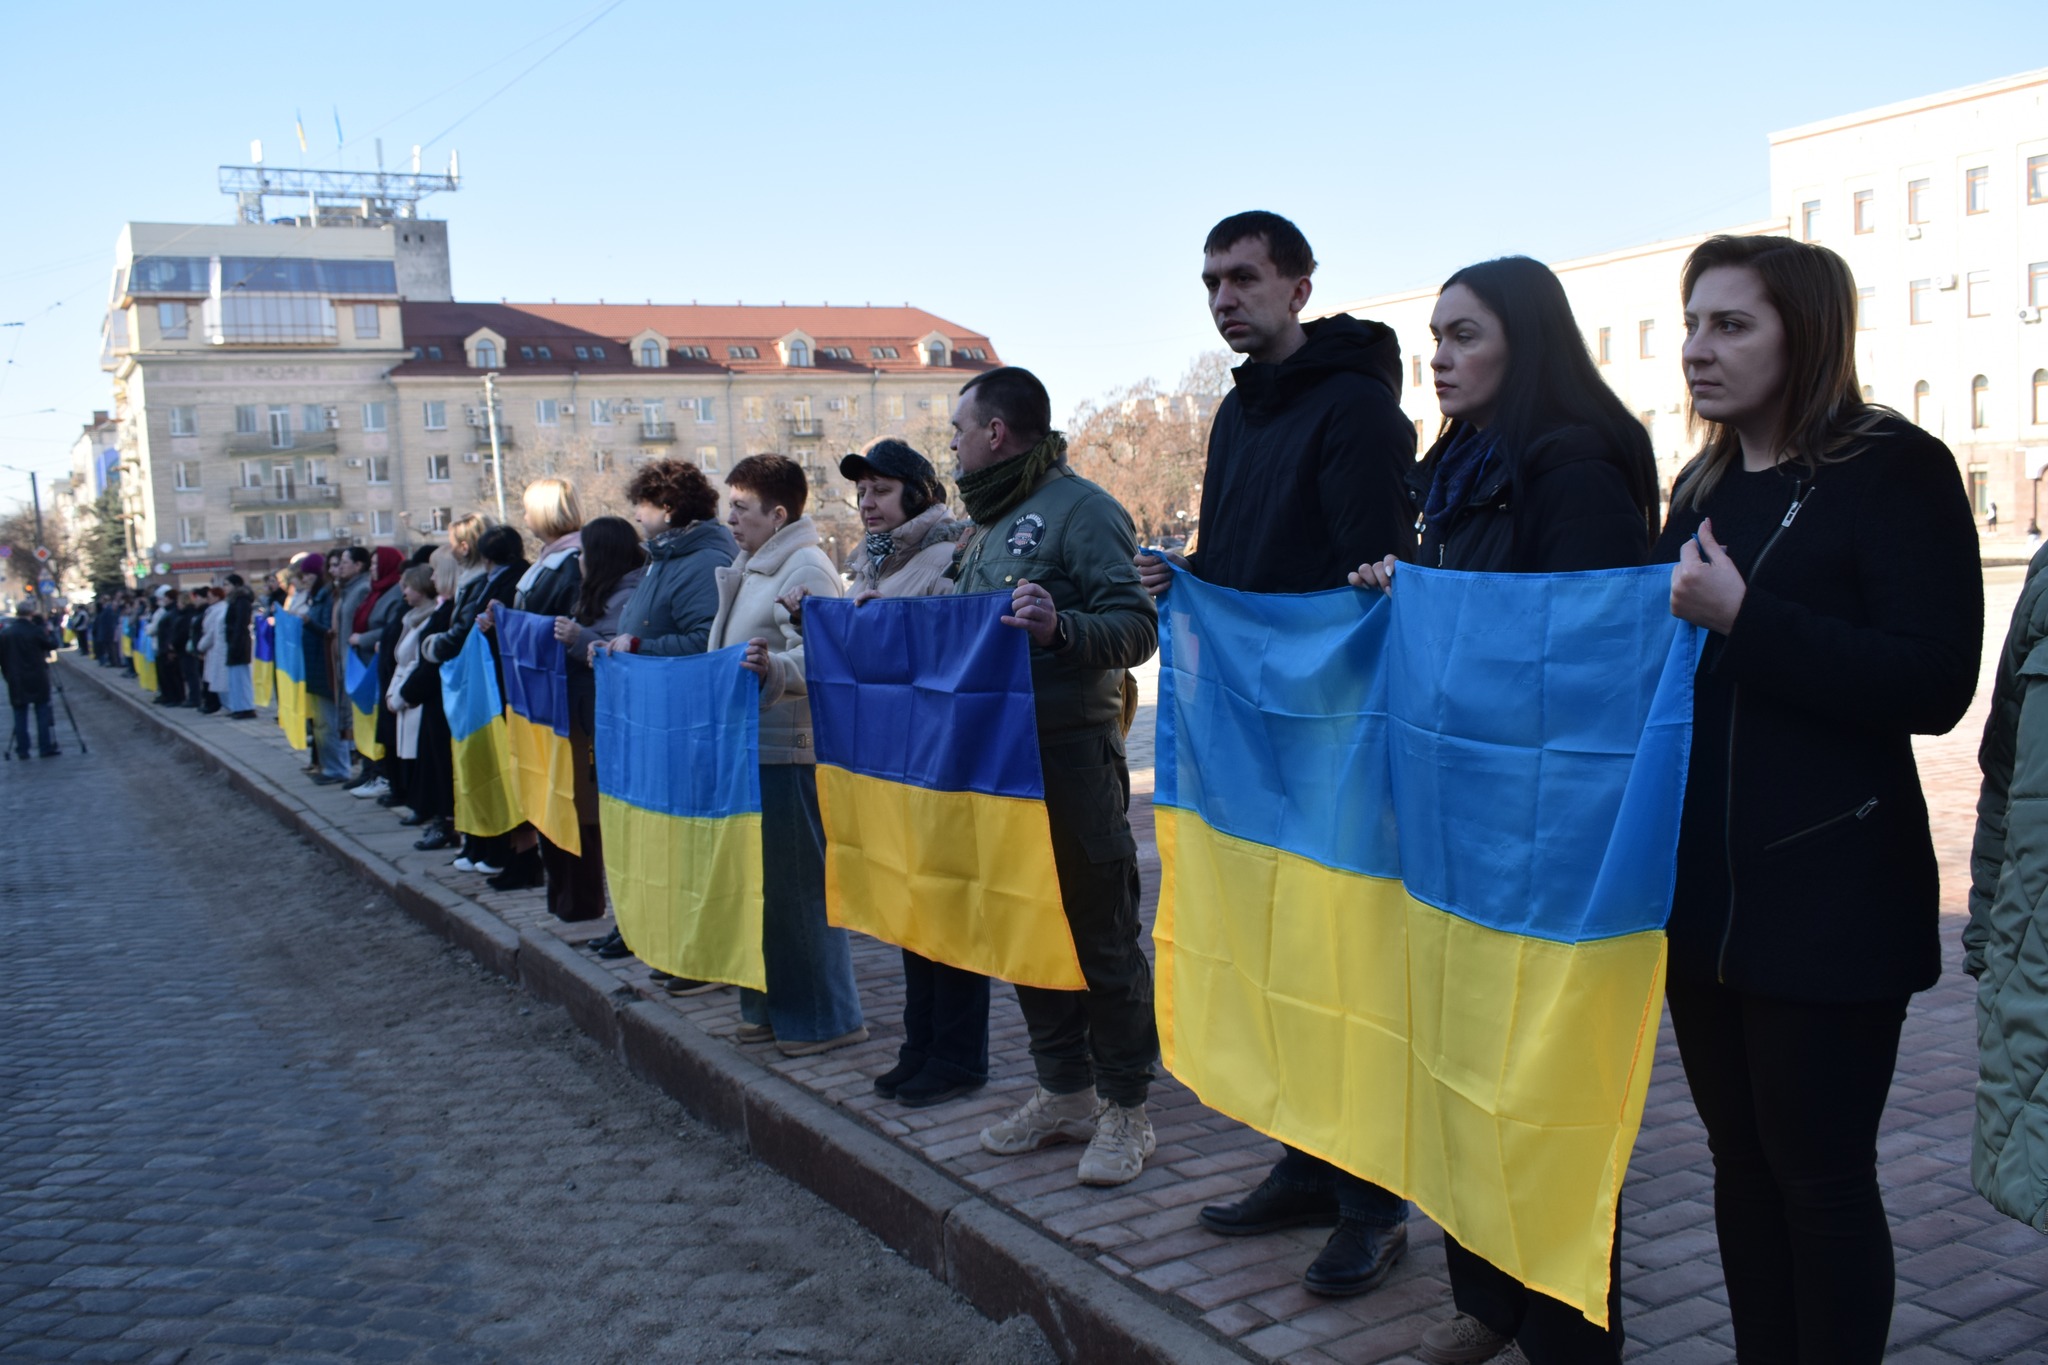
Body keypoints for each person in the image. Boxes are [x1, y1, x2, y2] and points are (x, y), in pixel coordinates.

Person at [1656, 235, 1981, 1363]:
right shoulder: (1696, 487)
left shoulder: (1893, 466)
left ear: (1805, 333)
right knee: (1737, 1169)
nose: (1696, 348)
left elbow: (1934, 683)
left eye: (1730, 325)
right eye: (1692, 322)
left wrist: (1749, 620)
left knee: (1820, 1179)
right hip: (1701, 898)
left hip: (1833, 894)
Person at [1350, 256, 1661, 1363]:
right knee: (1460, 1071)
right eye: (1433, 335)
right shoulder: (1460, 460)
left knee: (1541, 1090)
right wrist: (1408, 589)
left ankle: (1570, 1336)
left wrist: (1438, 605)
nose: (1438, 356)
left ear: (1523, 343)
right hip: (1461, 822)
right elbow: (1482, 617)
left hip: (1540, 827)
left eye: (1464, 335)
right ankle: (1487, 1304)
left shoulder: (1570, 463)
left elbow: (1577, 652)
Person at [1137, 210, 1420, 1298]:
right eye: (1210, 280)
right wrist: (1189, 574)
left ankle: (1371, 1205)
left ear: (1298, 286)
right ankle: (1306, 1164)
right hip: (1252, 739)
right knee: (1280, 964)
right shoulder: (1231, 413)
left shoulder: (1355, 409)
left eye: (1244, 278)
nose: (1223, 298)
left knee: (1343, 964)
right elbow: (1249, 552)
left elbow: (1371, 576)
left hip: (1334, 744)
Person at [952, 367, 1160, 1187]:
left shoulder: (1085, 510)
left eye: (959, 431)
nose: (956, 446)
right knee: (1025, 926)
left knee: (1098, 933)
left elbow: (1137, 625)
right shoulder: (985, 526)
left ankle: (1125, 1109)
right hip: (998, 762)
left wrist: (1059, 627)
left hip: (1069, 757)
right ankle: (1063, 1089)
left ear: (997, 432)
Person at [834, 438, 985, 1107]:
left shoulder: (953, 551)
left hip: (940, 757)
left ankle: (958, 1055)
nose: (868, 503)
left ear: (919, 492)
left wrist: (885, 626)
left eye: (882, 490)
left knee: (946, 905)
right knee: (909, 904)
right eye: (862, 492)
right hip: (890, 761)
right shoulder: (866, 565)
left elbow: (953, 647)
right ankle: (918, 1044)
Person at [713, 454, 866, 1056]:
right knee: (762, 888)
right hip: (753, 749)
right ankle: (771, 1007)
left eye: (741, 508)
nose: (730, 518)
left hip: (789, 749)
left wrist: (775, 669)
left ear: (778, 513)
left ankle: (827, 1017)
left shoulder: (807, 566)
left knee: (798, 890)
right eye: (730, 505)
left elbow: (828, 652)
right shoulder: (753, 563)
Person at [585, 458, 740, 965]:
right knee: (656, 840)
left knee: (685, 847)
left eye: (643, 505)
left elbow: (705, 640)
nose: (636, 515)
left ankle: (694, 950)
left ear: (668, 508)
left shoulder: (698, 560)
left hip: (684, 721)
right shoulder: (666, 556)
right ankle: (648, 930)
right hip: (655, 717)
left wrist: (635, 648)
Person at [478, 478, 587, 891]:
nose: (523, 517)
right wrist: (501, 620)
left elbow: (565, 620)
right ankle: (559, 889)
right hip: (534, 695)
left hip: (560, 696)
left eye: (528, 508)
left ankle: (574, 895)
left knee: (565, 797)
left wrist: (514, 623)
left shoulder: (573, 560)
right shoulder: (548, 560)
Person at [538, 514, 644, 923]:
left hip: (608, 719)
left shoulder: (629, 595)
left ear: (601, 555)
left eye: (583, 551)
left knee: (600, 815)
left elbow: (621, 654)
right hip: (587, 716)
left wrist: (577, 638)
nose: (577, 559)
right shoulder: (598, 591)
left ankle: (607, 910)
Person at [424, 522, 527, 871]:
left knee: (496, 766)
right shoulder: (486, 582)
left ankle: (508, 852)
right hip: (481, 684)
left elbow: (466, 631)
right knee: (473, 766)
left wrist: (437, 645)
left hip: (498, 686)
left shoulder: (505, 580)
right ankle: (481, 843)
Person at [397, 547, 462, 851]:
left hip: (442, 698)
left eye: (437, 570)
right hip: (433, 699)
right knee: (437, 765)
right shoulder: (445, 607)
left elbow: (434, 657)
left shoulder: (451, 609)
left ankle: (449, 823)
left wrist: (408, 692)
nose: (432, 576)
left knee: (445, 768)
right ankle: (444, 820)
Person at [292, 555, 353, 784]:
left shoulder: (328, 597)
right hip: (316, 667)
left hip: (325, 668)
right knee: (321, 724)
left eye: (308, 574)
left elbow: (330, 632)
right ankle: (329, 766)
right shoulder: (317, 597)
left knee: (329, 722)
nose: (304, 578)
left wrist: (308, 622)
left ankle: (338, 769)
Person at [1, 601, 59, 758]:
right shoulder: (35, 631)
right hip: (37, 677)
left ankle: (23, 750)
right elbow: (53, 645)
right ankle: (44, 747)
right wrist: (50, 631)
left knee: (20, 714)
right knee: (41, 712)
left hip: (16, 679)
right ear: (31, 614)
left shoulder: (6, 633)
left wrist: (8, 676)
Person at [221, 575, 257, 718]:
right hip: (234, 642)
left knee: (241, 678)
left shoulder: (241, 600)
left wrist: (235, 643)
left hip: (239, 643)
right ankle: (238, 707)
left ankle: (246, 707)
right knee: (235, 678)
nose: (225, 587)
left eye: (227, 584)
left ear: (235, 585)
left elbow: (240, 624)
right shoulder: (234, 600)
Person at [197, 583, 229, 714]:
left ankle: (216, 704)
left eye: (210, 597)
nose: (208, 599)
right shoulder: (213, 609)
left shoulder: (219, 610)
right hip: (212, 648)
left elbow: (211, 632)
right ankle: (212, 703)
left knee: (216, 678)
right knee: (211, 677)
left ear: (217, 597)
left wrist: (201, 645)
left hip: (216, 648)